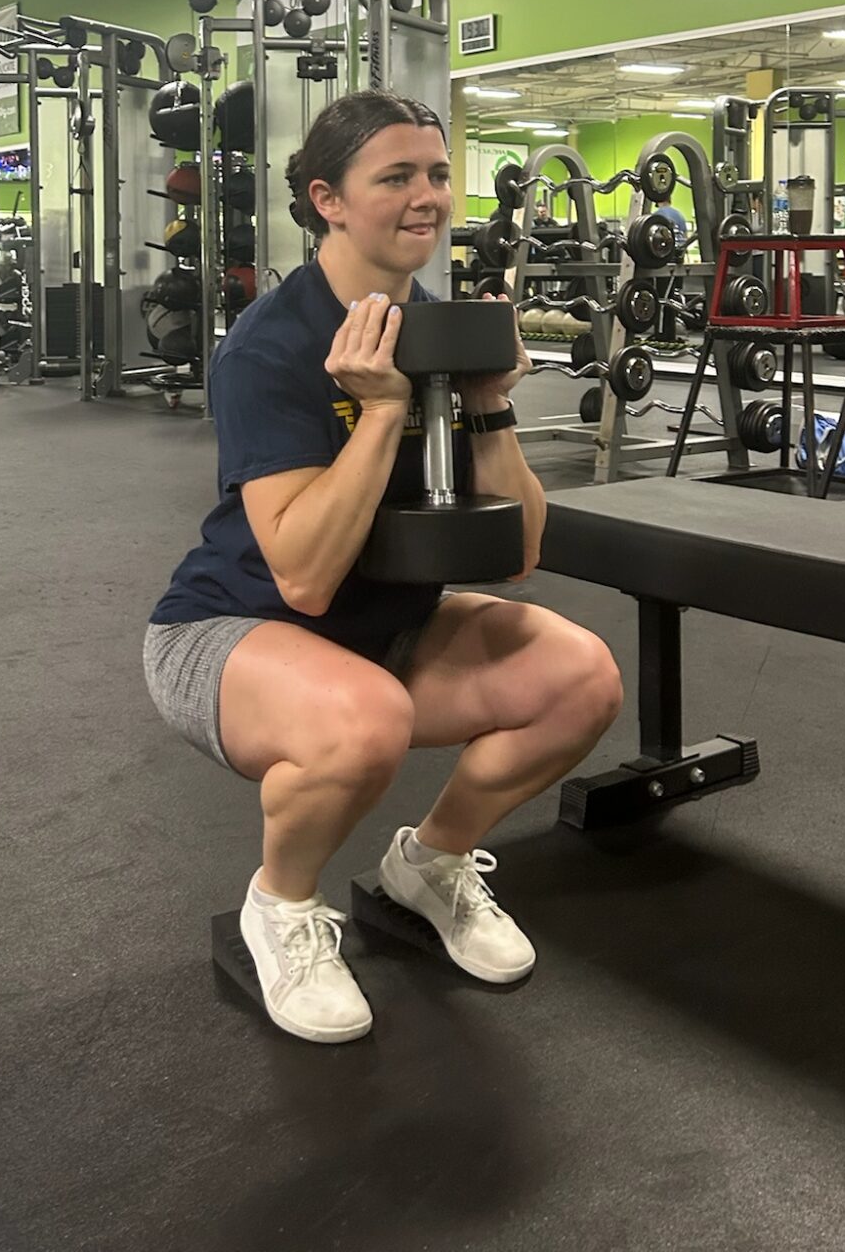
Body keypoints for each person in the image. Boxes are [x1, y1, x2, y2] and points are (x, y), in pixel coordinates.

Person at [144, 91, 622, 1044]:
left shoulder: (441, 328)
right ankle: (281, 906)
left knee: (581, 678)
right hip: (231, 634)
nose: (427, 197)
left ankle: (429, 868)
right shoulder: (271, 346)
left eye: (437, 174)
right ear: (328, 199)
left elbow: (520, 554)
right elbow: (304, 581)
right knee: (367, 720)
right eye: (395, 176)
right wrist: (386, 411)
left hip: (383, 631)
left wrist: (487, 404)